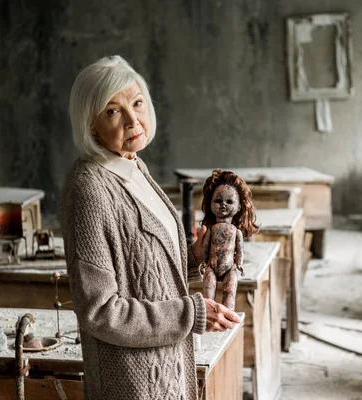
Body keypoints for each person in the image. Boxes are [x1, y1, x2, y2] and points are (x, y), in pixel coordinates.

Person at [60, 55, 240, 400]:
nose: (132, 120)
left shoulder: (132, 164)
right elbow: (100, 312)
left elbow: (140, 267)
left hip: (167, 370)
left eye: (137, 103)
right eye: (112, 111)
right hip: (132, 384)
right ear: (90, 124)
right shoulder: (89, 189)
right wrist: (192, 313)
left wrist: (190, 256)